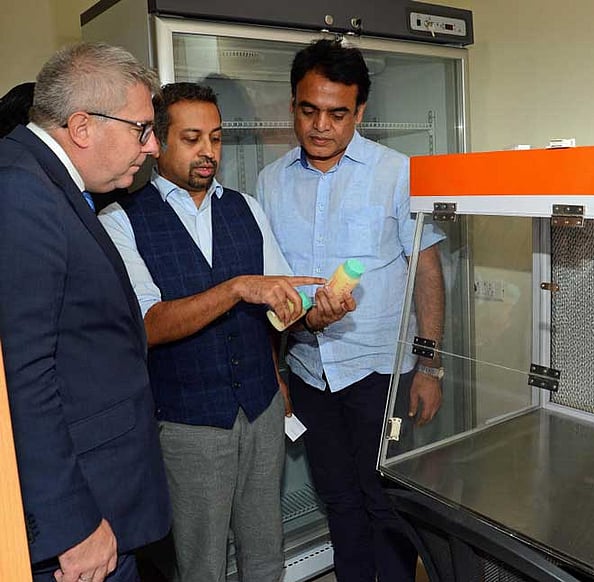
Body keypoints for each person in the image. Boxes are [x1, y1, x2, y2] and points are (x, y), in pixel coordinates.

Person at [98, 82, 352, 582]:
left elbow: (283, 306)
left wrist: (319, 312)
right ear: (157, 140)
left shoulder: (246, 208)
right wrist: (236, 289)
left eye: (215, 138)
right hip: (188, 422)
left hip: (261, 408)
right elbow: (149, 325)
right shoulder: (120, 221)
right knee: (202, 561)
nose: (208, 152)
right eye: (192, 139)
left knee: (265, 548)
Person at [255, 39, 446, 582]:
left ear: (359, 111)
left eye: (338, 113)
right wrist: (279, 370)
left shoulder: (396, 173)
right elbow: (271, 287)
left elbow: (426, 273)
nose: (321, 126)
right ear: (293, 104)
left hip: (379, 371)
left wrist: (429, 367)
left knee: (386, 506)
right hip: (311, 372)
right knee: (339, 501)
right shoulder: (271, 182)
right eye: (308, 110)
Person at [0, 42, 170, 582]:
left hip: (106, 493)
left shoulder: (45, 181)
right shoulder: (22, 193)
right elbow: (22, 378)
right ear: (82, 127)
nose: (153, 146)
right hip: (81, 522)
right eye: (142, 129)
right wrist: (71, 524)